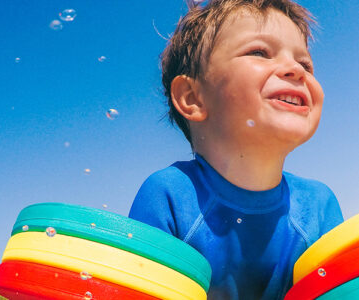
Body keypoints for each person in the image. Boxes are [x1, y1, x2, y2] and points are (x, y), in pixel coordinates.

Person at [129, 0, 343, 299]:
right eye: (259, 52)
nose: (296, 70)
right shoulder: (170, 196)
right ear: (193, 98)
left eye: (305, 64)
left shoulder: (319, 206)